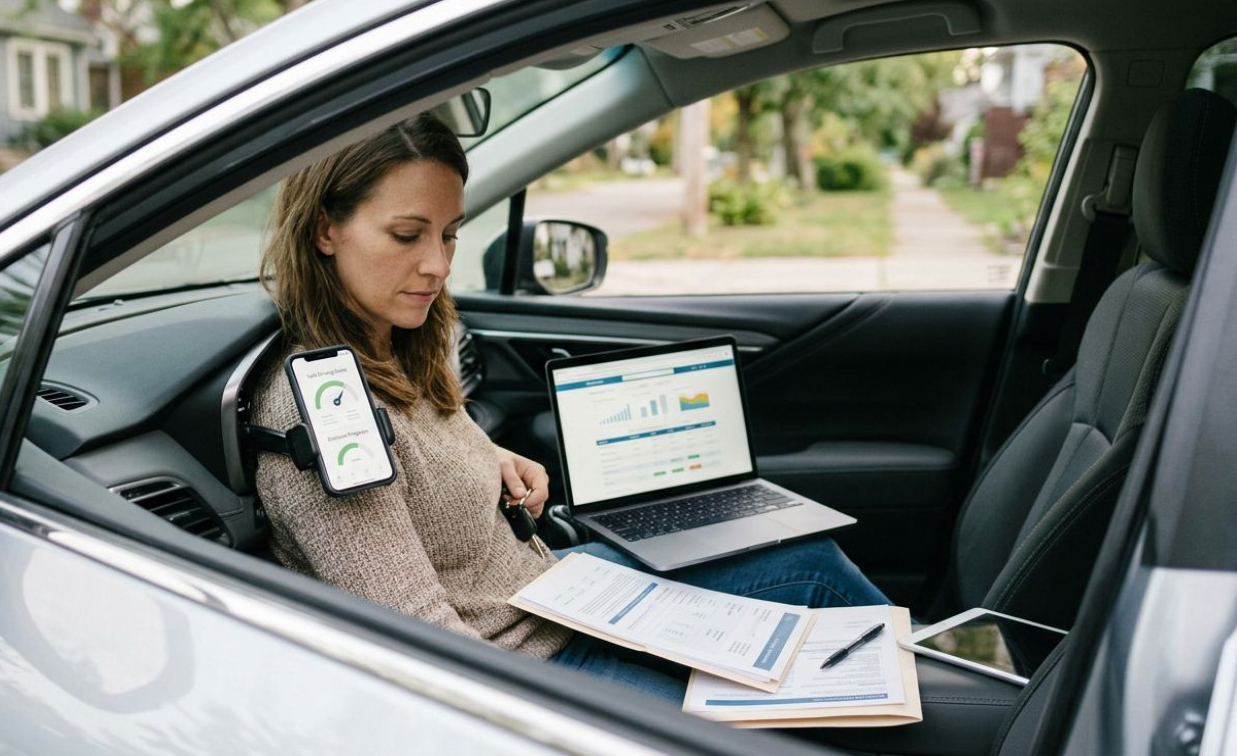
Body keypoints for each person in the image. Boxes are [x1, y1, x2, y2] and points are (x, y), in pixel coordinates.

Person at [254, 112, 890, 704]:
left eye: (449, 235)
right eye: (406, 234)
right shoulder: (320, 408)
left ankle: (944, 699)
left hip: (557, 592)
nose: (437, 265)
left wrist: (491, 456)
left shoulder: (392, 340)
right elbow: (423, 642)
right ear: (324, 230)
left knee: (813, 565)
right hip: (527, 662)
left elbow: (426, 441)